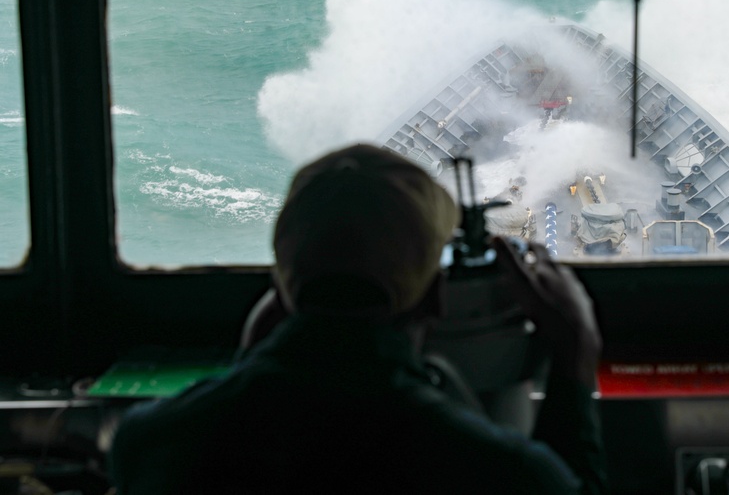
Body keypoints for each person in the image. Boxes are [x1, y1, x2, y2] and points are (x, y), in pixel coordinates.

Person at [108, 144, 606, 494]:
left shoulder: (152, 443)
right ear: (434, 297)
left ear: (282, 286)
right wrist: (574, 356)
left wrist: (250, 361)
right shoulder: (499, 472)